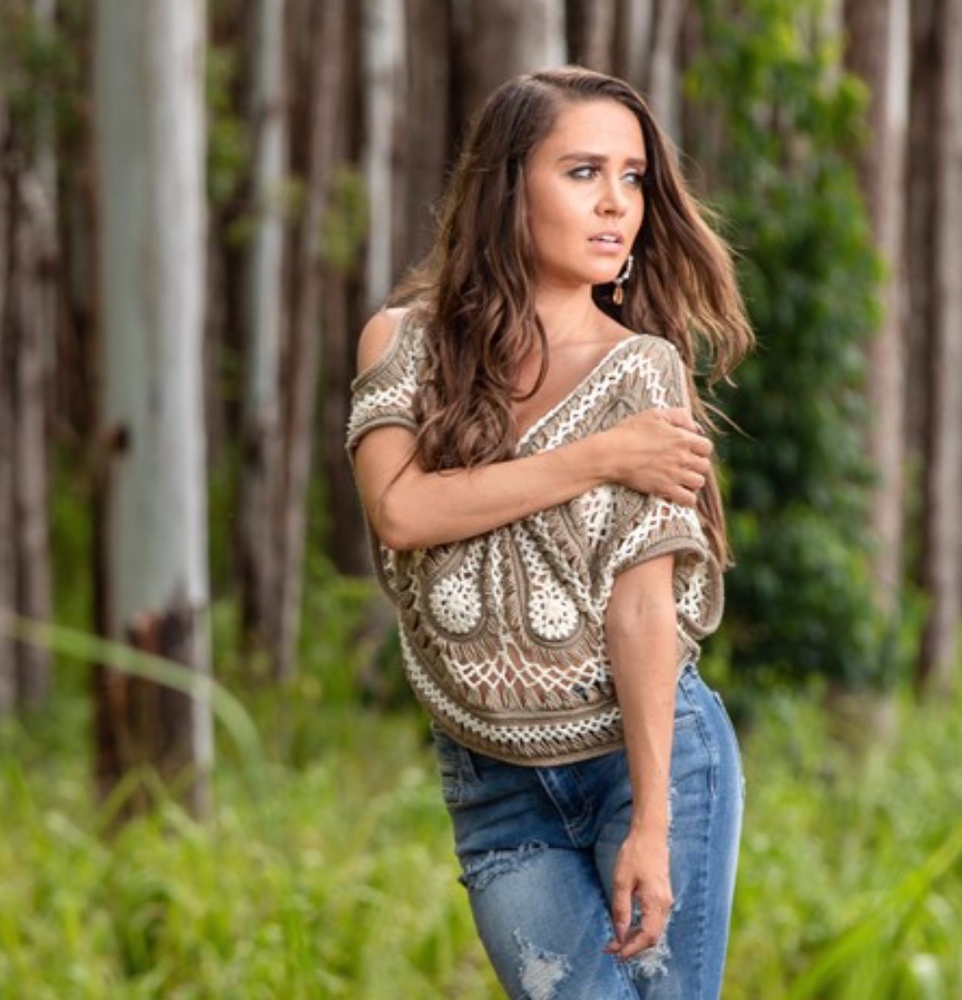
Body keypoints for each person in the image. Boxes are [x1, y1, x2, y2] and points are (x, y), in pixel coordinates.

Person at [347, 66, 753, 1000]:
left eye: (635, 176)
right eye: (582, 172)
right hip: (496, 787)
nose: (617, 203)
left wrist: (653, 820)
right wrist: (600, 458)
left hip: (645, 761)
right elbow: (402, 511)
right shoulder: (401, 344)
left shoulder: (644, 370)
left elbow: (644, 612)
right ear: (507, 184)